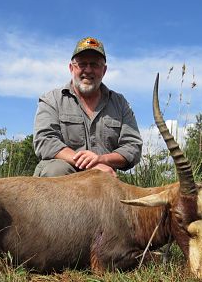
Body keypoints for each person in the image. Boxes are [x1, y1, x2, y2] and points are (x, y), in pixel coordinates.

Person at [33, 37, 142, 177]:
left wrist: (102, 160)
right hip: (62, 176)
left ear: (104, 70)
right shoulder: (51, 99)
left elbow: (133, 147)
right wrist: (91, 165)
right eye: (82, 64)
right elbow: (45, 141)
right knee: (57, 170)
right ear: (71, 68)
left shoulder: (120, 103)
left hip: (102, 178)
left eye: (95, 64)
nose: (88, 70)